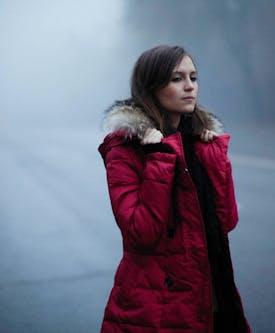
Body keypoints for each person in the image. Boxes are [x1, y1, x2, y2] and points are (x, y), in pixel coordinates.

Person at [98, 45, 251, 333]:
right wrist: (160, 158)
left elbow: (227, 221)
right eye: (176, 78)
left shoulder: (199, 142)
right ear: (151, 86)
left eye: (194, 77)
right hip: (158, 306)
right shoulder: (125, 148)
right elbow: (140, 233)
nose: (189, 86)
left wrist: (214, 159)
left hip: (211, 296)